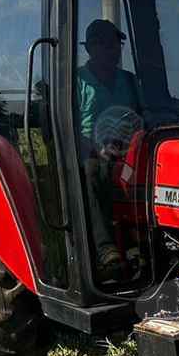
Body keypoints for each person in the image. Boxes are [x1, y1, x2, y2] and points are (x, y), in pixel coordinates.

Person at [77, 19, 143, 282]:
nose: (114, 50)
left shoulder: (129, 81)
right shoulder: (77, 81)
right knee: (94, 171)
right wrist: (96, 148)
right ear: (91, 48)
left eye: (116, 45)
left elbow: (142, 116)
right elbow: (67, 125)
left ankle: (143, 243)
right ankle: (106, 250)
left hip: (129, 148)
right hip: (88, 151)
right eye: (106, 45)